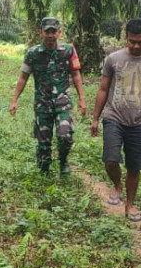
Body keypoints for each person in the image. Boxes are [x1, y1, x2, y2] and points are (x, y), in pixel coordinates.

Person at [90, 18, 141, 221]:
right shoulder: (113, 59)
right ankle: (116, 185)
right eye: (132, 41)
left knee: (134, 166)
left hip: (139, 121)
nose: (136, 46)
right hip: (113, 116)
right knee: (111, 159)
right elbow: (103, 89)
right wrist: (95, 118)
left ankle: (130, 205)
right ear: (126, 38)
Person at [9, 16, 88, 174]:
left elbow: (76, 75)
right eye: (47, 32)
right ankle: (44, 170)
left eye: (54, 31)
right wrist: (14, 100)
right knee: (43, 142)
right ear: (41, 33)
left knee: (65, 135)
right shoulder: (33, 53)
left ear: (59, 33)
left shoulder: (68, 50)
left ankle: (63, 160)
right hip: (42, 103)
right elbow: (23, 78)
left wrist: (82, 99)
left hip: (63, 102)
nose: (50, 35)